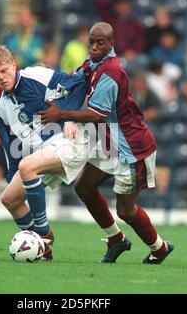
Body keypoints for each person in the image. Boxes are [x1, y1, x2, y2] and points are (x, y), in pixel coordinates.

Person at [40, 22, 174, 264]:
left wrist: (60, 114)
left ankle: (160, 247)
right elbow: (73, 80)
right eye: (91, 42)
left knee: (125, 211)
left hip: (131, 148)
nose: (93, 47)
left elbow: (96, 115)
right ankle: (116, 240)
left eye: (100, 43)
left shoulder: (111, 73)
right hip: (110, 141)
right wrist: (47, 76)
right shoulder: (93, 62)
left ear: (111, 44)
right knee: (83, 187)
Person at [0, 45, 89, 260]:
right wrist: (13, 175)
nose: (1, 78)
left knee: (27, 166)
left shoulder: (36, 75)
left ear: (14, 64)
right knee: (9, 199)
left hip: (68, 141)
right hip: (42, 156)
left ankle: (42, 234)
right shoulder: (2, 108)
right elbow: (10, 148)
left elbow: (77, 85)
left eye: (4, 70)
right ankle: (43, 250)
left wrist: (67, 117)